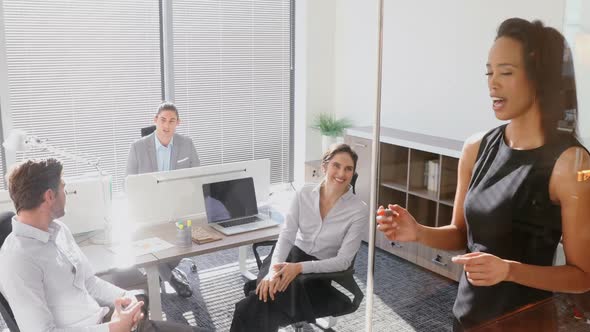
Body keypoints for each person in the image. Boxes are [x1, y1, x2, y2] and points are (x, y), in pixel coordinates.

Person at [376, 18, 590, 330]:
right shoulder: (476, 147)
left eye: (506, 72)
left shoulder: (571, 164)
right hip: (467, 318)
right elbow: (461, 235)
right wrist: (418, 232)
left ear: (539, 78)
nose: (493, 83)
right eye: (489, 72)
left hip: (524, 323)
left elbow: (583, 276)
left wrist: (509, 270)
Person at [0, 158, 209, 332]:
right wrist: (112, 328)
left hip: (105, 321)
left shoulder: (59, 230)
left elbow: (89, 283)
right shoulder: (18, 259)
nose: (67, 195)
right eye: (64, 189)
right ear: (49, 196)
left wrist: (127, 298)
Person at [230, 144, 368, 332]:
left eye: (348, 168)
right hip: (286, 258)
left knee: (250, 308)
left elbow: (343, 261)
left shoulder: (358, 210)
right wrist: (272, 270)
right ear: (324, 167)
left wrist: (299, 268)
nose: (341, 173)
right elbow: (287, 236)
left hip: (315, 273)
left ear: (353, 173)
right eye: (336, 165)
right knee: (262, 307)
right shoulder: (304, 193)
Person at [126, 101, 200, 298]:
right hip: (147, 209)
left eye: (172, 121)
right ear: (155, 121)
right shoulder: (137, 147)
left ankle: (158, 273)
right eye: (163, 120)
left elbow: (198, 176)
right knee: (144, 241)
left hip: (179, 205)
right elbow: (130, 184)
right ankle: (171, 278)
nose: (167, 125)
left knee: (188, 238)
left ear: (178, 123)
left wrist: (187, 194)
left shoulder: (187, 144)